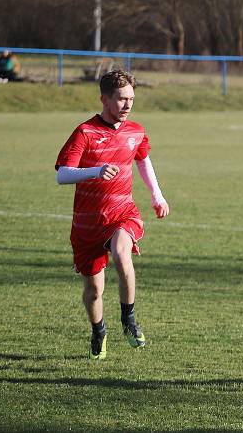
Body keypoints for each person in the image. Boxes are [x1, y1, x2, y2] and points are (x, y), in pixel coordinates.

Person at [55, 70, 170, 360]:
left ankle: (129, 319)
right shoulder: (85, 132)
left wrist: (157, 195)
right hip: (87, 225)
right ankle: (98, 331)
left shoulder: (136, 130)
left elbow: (143, 160)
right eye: (121, 99)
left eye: (131, 98)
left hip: (122, 213)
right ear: (104, 99)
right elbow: (63, 174)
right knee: (94, 291)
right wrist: (95, 171)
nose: (128, 104)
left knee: (122, 253)